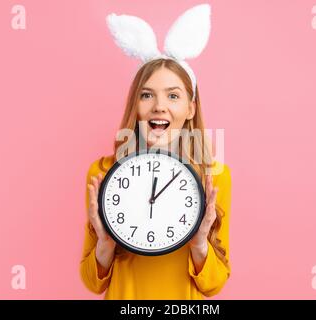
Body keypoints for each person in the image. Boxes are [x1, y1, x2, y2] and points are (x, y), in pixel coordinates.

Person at [80, 4, 232, 299]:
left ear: (190, 108)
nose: (159, 106)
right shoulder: (102, 174)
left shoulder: (215, 176)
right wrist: (105, 244)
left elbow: (213, 285)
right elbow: (93, 283)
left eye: (173, 95)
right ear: (135, 106)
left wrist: (200, 244)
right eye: (147, 94)